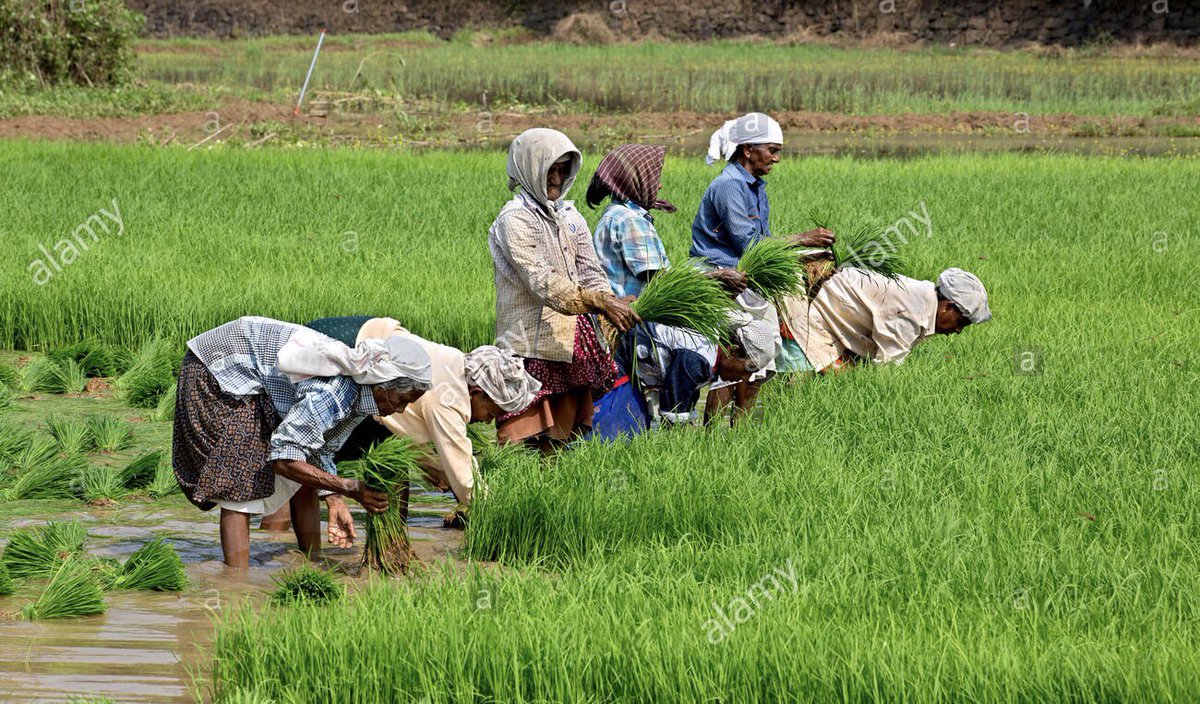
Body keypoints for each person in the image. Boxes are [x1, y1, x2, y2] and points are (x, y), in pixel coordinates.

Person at [171, 316, 433, 569]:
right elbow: (284, 460)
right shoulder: (332, 392)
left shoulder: (363, 398)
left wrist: (335, 499)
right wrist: (348, 486)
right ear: (382, 385)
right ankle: (237, 586)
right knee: (241, 481)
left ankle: (312, 561)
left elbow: (319, 449)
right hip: (219, 368)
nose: (401, 410)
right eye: (403, 399)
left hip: (253, 370)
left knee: (306, 465)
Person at [301, 315, 541, 528]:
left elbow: (406, 420)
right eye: (492, 413)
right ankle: (283, 547)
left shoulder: (456, 362)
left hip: (363, 354)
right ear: (477, 393)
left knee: (391, 455)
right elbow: (464, 474)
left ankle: (393, 536)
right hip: (339, 351)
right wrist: (501, 517)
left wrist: (428, 462)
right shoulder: (449, 400)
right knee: (298, 458)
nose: (488, 422)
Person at [488, 128, 638, 454]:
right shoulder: (514, 220)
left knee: (560, 437)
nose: (556, 178)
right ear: (530, 169)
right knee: (514, 436)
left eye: (562, 170)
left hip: (571, 339)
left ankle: (547, 495)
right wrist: (598, 301)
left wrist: (609, 299)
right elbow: (540, 280)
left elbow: (589, 270)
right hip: (529, 340)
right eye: (549, 170)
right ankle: (491, 497)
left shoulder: (570, 216)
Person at [585, 143, 750, 424]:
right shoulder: (629, 220)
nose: (659, 185)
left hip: (624, 321)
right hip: (629, 323)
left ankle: (665, 424)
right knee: (690, 354)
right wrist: (714, 278)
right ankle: (675, 424)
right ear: (634, 180)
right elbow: (661, 281)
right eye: (653, 178)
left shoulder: (621, 215)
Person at [690, 112, 837, 422]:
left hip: (748, 284)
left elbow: (763, 240)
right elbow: (750, 246)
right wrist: (801, 239)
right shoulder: (729, 186)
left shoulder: (755, 186)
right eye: (772, 150)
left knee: (762, 359)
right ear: (748, 150)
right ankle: (711, 429)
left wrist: (802, 256)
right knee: (743, 355)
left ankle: (739, 429)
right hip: (723, 282)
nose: (777, 158)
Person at [788, 267, 992, 372]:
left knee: (850, 372)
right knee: (808, 379)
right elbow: (886, 372)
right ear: (948, 307)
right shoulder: (913, 311)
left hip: (838, 312)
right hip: (812, 310)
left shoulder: (923, 300)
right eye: (961, 323)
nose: (957, 331)